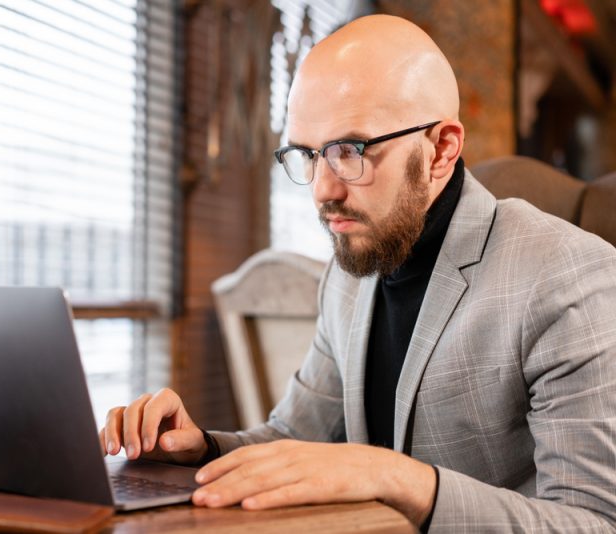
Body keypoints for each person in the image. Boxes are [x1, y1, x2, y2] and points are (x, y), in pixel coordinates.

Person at [99, 14, 616, 531]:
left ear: (441, 150)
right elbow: (293, 438)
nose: (323, 189)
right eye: (308, 154)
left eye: (350, 150)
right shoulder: (351, 270)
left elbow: (592, 522)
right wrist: (198, 449)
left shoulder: (568, 276)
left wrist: (398, 479)